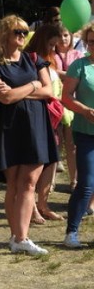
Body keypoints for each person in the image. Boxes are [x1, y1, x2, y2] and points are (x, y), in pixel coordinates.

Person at [0, 15, 58, 255]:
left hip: (35, 126)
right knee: (13, 184)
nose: (22, 36)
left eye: (24, 32)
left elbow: (49, 90)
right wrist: (33, 86)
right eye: (17, 32)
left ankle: (22, 237)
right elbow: (5, 98)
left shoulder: (34, 59)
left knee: (29, 183)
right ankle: (16, 237)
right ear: (5, 34)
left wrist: (25, 89)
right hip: (9, 127)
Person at [24, 24, 64, 224]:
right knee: (35, 164)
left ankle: (44, 204)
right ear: (42, 40)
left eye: (55, 45)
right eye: (50, 44)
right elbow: (43, 89)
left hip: (52, 117)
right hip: (36, 115)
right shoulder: (29, 60)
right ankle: (31, 209)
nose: (53, 49)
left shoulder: (50, 59)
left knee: (51, 161)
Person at [61, 22, 94, 248]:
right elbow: (66, 96)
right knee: (86, 183)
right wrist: (85, 111)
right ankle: (71, 232)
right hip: (86, 132)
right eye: (91, 41)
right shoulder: (79, 66)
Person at [54, 23, 82, 190]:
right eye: (60, 35)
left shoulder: (77, 54)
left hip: (73, 103)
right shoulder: (51, 54)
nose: (63, 39)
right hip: (56, 103)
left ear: (71, 37)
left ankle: (74, 180)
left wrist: (60, 73)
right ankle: (50, 183)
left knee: (72, 145)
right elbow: (50, 71)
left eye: (66, 35)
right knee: (56, 143)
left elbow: (76, 76)